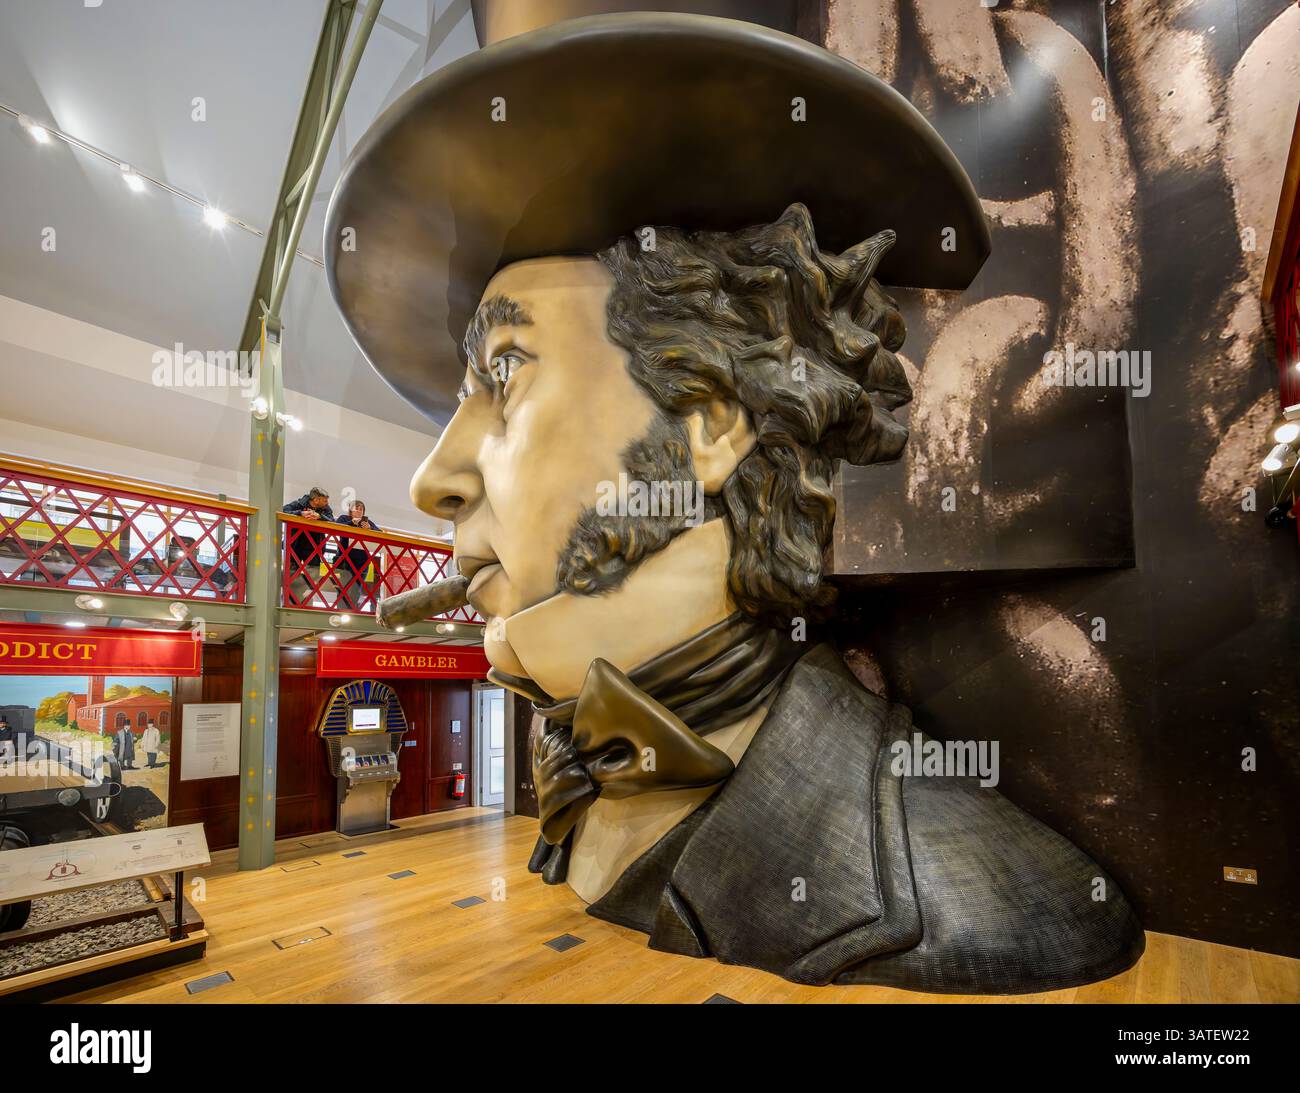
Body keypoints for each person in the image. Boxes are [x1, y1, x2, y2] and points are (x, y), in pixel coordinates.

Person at [324, 8, 1141, 994]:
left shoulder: (980, 895)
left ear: (710, 422)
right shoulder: (568, 802)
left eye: (506, 370)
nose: (431, 478)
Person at [282, 487, 334, 605]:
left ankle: (306, 600)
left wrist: (319, 517)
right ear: (316, 500)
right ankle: (289, 601)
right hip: (295, 545)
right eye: (324, 500)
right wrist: (300, 513)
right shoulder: (299, 504)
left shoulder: (325, 509)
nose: (327, 503)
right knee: (291, 574)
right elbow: (283, 510)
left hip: (315, 548)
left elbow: (332, 521)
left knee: (313, 576)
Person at [334, 501, 382, 610]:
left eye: (361, 509)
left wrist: (370, 529)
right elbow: (335, 527)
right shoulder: (343, 518)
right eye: (357, 508)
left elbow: (380, 533)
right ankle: (341, 610)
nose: (359, 510)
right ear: (351, 510)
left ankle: (352, 609)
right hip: (345, 558)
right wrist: (351, 522)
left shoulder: (367, 522)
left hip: (362, 560)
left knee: (357, 587)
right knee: (343, 587)